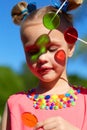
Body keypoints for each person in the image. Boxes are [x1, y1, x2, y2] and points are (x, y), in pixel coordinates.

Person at [1, 0, 87, 130]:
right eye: (32, 52)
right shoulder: (15, 104)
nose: (41, 58)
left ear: (70, 48)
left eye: (52, 49)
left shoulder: (85, 101)